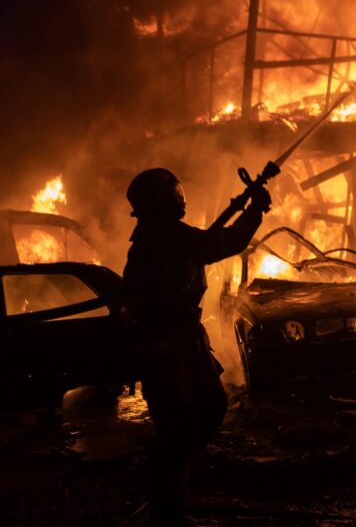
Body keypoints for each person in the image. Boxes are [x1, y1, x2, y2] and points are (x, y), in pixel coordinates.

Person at [122, 168, 270, 525]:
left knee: (210, 406)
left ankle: (177, 481)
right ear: (161, 201)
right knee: (177, 425)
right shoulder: (156, 241)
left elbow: (208, 245)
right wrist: (254, 212)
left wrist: (249, 212)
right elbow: (221, 244)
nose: (180, 198)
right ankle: (166, 507)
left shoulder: (167, 236)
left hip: (186, 338)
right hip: (164, 345)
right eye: (174, 193)